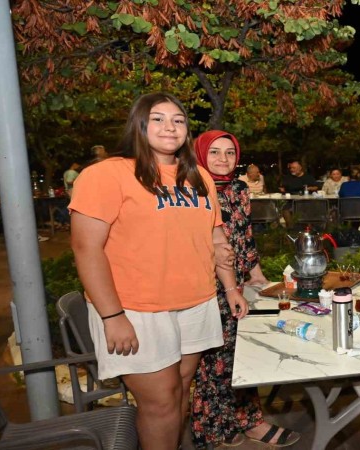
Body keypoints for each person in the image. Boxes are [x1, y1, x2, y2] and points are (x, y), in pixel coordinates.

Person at [69, 92, 247, 449]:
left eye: (178, 120)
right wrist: (112, 315)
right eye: (158, 119)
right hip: (136, 308)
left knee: (180, 391)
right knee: (161, 402)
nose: (170, 127)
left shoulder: (198, 176)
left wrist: (230, 287)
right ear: (139, 124)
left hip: (196, 302)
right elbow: (86, 248)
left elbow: (214, 236)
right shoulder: (107, 174)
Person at [191, 130, 299, 448]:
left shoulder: (238, 189)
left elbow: (244, 233)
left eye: (229, 152)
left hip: (235, 283)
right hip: (203, 286)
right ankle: (213, 426)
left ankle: (244, 420)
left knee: (238, 355)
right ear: (200, 155)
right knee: (212, 360)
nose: (223, 159)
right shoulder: (191, 190)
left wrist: (256, 272)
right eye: (214, 152)